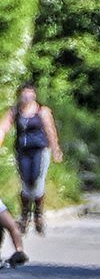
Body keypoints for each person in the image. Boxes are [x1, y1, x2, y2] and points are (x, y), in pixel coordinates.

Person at [0, 85, 61, 237]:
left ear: (34, 96)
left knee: (37, 180)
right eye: (24, 95)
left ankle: (39, 215)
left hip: (40, 151)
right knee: (26, 182)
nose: (27, 98)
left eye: (30, 95)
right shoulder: (15, 111)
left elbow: (50, 130)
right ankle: (25, 215)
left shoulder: (42, 111)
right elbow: (3, 128)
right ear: (20, 96)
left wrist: (55, 150)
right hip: (23, 152)